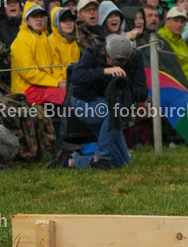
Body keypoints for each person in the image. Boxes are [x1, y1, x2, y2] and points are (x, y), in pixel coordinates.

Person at [53, 33, 146, 170]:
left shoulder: (136, 57)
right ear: (106, 53)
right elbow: (76, 76)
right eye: (113, 61)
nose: (116, 65)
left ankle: (69, 162)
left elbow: (142, 93)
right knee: (115, 111)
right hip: (84, 102)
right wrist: (104, 71)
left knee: (122, 162)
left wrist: (126, 87)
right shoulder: (94, 52)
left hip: (110, 108)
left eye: (120, 63)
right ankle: (100, 158)